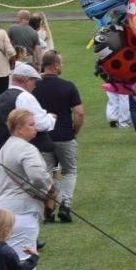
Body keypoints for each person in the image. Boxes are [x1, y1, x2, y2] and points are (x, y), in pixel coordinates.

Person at [0, 109, 56, 270]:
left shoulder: (5, 147)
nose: (35, 128)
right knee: (25, 253)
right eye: (31, 124)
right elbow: (37, 175)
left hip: (0, 207)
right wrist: (50, 190)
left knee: (0, 256)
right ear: (18, 128)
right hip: (21, 209)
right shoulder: (26, 149)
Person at [33, 52, 83, 223]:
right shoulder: (68, 86)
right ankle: (65, 205)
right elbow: (79, 112)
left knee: (46, 173)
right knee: (69, 171)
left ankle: (48, 208)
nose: (62, 66)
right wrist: (74, 131)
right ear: (55, 65)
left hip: (43, 137)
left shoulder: (34, 87)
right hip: (64, 135)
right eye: (61, 63)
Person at [0, 63, 55, 156]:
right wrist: (51, 118)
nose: (35, 86)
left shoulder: (0, 98)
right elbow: (41, 124)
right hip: (26, 151)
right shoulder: (25, 97)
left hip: (3, 151)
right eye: (34, 81)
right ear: (27, 80)